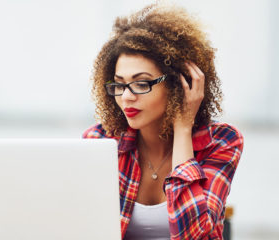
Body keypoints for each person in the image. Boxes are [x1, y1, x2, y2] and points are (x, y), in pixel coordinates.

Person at [82, 2, 244, 240]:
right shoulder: (100, 142)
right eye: (119, 84)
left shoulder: (221, 142)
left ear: (179, 83)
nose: (126, 96)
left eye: (141, 83)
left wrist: (182, 127)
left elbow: (194, 235)